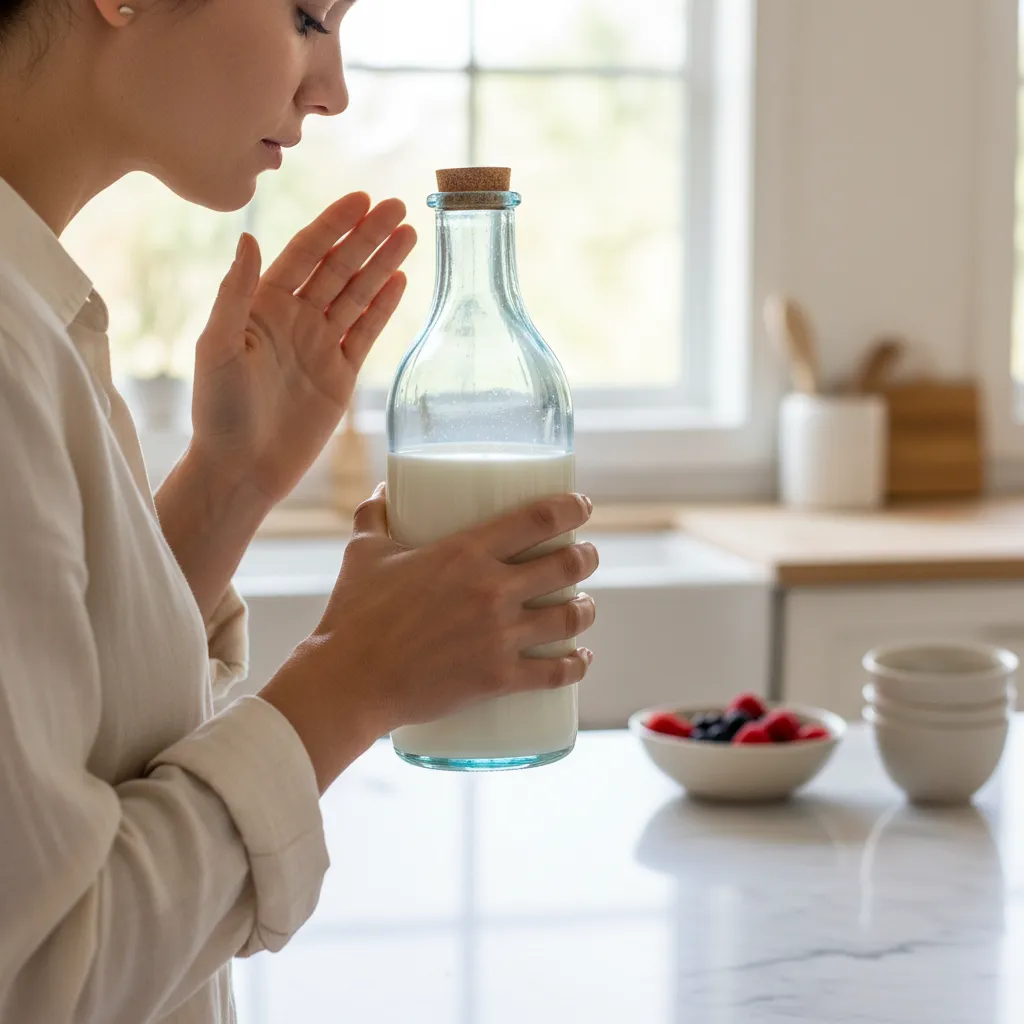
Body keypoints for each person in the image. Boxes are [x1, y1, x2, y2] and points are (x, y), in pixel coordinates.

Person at [0, 1, 600, 1021]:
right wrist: (350, 683)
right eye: (307, 15)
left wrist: (228, 485)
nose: (332, 88)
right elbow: (45, 974)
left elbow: (62, 733)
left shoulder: (35, 305)